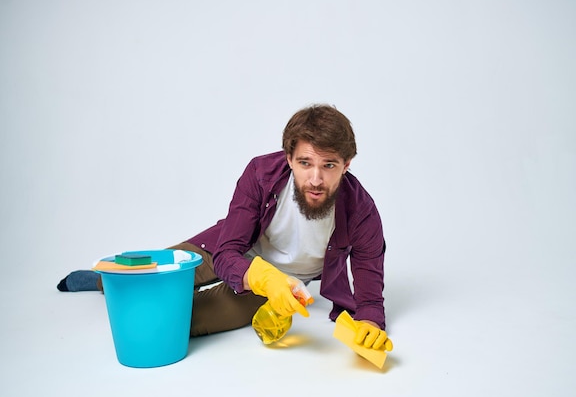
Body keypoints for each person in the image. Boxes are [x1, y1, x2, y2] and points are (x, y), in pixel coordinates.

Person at [58, 104, 392, 351]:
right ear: (289, 158)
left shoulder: (362, 213)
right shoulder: (261, 174)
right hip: (221, 250)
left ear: (346, 165)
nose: (315, 179)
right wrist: (262, 275)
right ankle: (104, 282)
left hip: (275, 290)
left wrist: (370, 327)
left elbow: (369, 298)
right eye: (305, 163)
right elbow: (227, 252)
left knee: (174, 322)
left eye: (329, 165)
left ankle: (127, 296)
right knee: (150, 272)